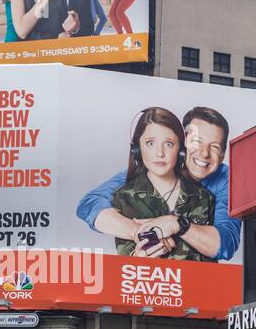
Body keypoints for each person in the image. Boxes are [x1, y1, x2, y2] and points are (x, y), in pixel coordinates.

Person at [77, 107, 238, 261]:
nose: (204, 153)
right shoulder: (151, 170)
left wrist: (176, 224)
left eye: (215, 147)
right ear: (181, 145)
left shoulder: (226, 179)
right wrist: (144, 233)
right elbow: (90, 205)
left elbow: (226, 243)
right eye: (196, 142)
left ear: (223, 154)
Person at [103, 108, 216, 262]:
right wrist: (139, 256)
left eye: (169, 144)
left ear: (181, 151)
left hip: (197, 284)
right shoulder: (123, 198)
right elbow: (126, 261)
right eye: (150, 143)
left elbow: (215, 251)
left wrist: (180, 225)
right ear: (137, 149)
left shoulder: (203, 196)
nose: (160, 153)